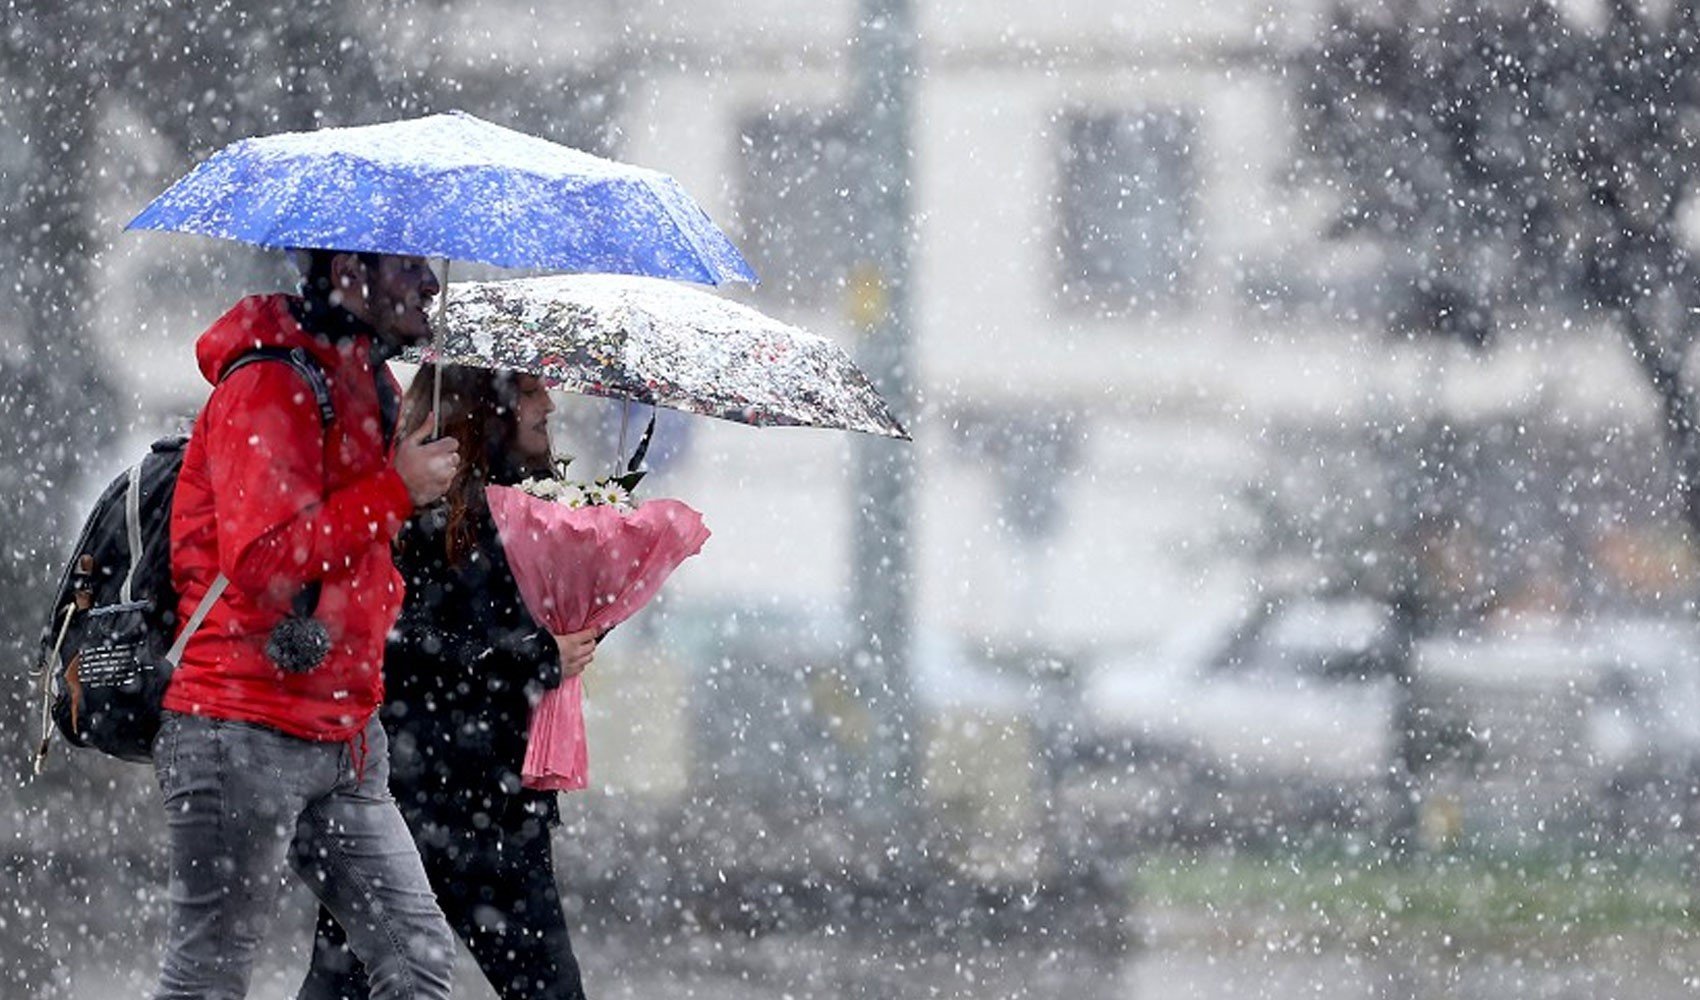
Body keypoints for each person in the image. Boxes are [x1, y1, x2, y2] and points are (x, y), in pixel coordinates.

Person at [155, 250, 462, 1000]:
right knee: (208, 977)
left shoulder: (370, 383)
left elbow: (362, 548)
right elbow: (263, 557)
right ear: (349, 271)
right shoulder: (269, 382)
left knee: (416, 960)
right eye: (405, 265)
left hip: (347, 732)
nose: (430, 282)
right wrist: (395, 489)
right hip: (240, 723)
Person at [299, 363, 598, 1000]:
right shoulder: (421, 511)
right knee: (348, 985)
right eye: (528, 390)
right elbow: (407, 647)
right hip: (416, 799)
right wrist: (536, 657)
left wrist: (585, 620)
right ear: (485, 406)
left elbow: (512, 640)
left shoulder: (537, 509)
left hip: (497, 802)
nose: (548, 402)